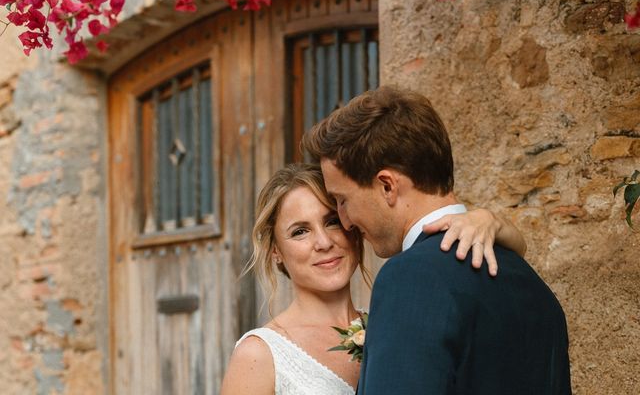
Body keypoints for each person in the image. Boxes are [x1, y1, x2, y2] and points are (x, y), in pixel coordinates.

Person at [302, 86, 572, 395]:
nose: (346, 221)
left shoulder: (412, 279)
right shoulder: (531, 284)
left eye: (342, 200)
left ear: (387, 186)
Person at [220, 163, 528, 395]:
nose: (323, 242)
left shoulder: (394, 320)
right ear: (276, 252)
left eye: (332, 222)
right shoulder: (259, 355)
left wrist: (490, 221)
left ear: (352, 224)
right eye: (300, 231)